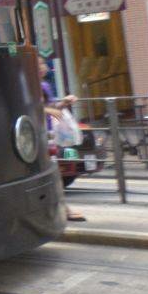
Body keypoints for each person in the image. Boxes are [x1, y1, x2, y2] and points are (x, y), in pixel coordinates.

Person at [39, 56, 86, 222]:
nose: (41, 67)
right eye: (37, 64)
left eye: (43, 63)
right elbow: (31, 107)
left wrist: (63, 103)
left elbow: (51, 108)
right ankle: (63, 209)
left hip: (48, 135)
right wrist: (49, 111)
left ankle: (58, 209)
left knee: (52, 173)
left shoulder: (44, 85)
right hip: (38, 136)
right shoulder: (28, 86)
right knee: (51, 173)